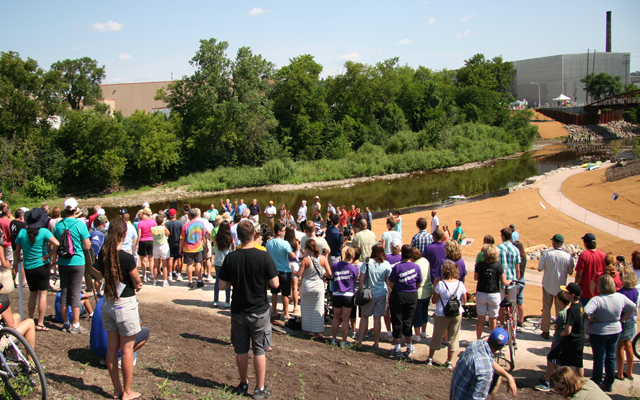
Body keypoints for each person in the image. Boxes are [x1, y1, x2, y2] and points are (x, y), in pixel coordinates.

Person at [218, 219, 279, 399]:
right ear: (255, 235)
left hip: (238, 310)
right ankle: (259, 389)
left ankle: (243, 383)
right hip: (259, 310)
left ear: (238, 236)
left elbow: (222, 285)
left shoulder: (231, 258)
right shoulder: (264, 256)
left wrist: (233, 279)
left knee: (241, 350)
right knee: (259, 350)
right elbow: (275, 283)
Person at [96, 218, 143, 400]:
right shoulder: (125, 257)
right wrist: (138, 285)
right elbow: (136, 280)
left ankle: (116, 390)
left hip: (107, 303)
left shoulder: (103, 254)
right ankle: (128, 391)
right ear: (124, 235)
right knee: (127, 350)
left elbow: (100, 273)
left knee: (111, 349)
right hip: (125, 304)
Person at [583, 274, 636, 392]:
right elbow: (632, 306)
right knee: (611, 357)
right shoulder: (619, 297)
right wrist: (623, 319)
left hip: (599, 331)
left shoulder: (597, 299)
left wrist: (590, 319)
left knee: (599, 358)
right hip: (615, 330)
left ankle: (596, 380)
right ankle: (609, 382)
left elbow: (586, 311)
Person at [12, 207, 59, 331]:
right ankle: (40, 323)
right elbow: (57, 243)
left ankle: (30, 320)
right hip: (42, 265)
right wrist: (49, 255)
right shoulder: (44, 231)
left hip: (28, 266)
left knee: (33, 294)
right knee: (43, 294)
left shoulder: (22, 232)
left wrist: (17, 261)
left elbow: (17, 252)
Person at [52, 198, 91, 333]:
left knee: (64, 292)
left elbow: (56, 243)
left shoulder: (58, 225)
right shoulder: (80, 225)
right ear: (76, 210)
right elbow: (87, 246)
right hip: (77, 261)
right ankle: (75, 324)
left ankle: (65, 323)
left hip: (62, 262)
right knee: (75, 292)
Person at [449, 328, 518, 400]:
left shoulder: (476, 344)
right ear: (502, 347)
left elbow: (490, 361)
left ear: (489, 338)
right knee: (498, 378)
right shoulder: (486, 372)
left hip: (455, 394)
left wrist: (508, 376)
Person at [426, 260, 467, 369]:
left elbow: (434, 300)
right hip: (457, 313)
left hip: (441, 313)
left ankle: (430, 358)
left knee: (437, 336)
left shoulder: (441, 284)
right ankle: (449, 361)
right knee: (454, 338)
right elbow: (464, 300)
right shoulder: (460, 284)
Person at [538, 234, 575, 339]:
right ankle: (559, 331)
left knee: (546, 309)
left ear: (554, 243)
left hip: (547, 285)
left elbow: (540, 268)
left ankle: (545, 331)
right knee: (561, 310)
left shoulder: (547, 254)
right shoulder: (568, 257)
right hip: (561, 288)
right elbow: (570, 271)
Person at [355, 243, 392, 349]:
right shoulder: (386, 265)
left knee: (364, 317)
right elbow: (388, 282)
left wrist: (361, 290)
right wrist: (389, 293)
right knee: (377, 319)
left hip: (368, 294)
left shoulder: (367, 262)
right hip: (381, 293)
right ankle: (376, 342)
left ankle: (360, 340)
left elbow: (361, 279)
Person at [388, 245, 422, 358]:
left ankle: (397, 348)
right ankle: (409, 347)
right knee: (408, 321)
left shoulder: (397, 268)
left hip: (398, 295)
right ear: (411, 255)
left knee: (397, 321)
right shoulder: (416, 267)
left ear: (402, 254)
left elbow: (391, 283)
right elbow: (419, 283)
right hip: (411, 295)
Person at [293, 239, 331, 339]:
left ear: (308, 249)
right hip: (318, 286)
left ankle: (305, 329)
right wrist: (323, 274)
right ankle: (316, 332)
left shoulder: (305, 260)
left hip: (307, 286)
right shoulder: (323, 258)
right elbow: (329, 273)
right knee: (318, 309)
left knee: (306, 309)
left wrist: (293, 271)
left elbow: (299, 274)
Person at [535, 291, 571, 391]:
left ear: (560, 301)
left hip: (558, 339)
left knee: (552, 358)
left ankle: (553, 379)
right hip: (565, 341)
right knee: (556, 359)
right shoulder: (570, 311)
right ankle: (556, 376)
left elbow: (556, 326)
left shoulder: (561, 314)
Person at [474, 244, 511, 340]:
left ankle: (478, 339)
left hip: (481, 293)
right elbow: (503, 282)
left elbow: (476, 278)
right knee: (493, 319)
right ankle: (492, 340)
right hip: (494, 294)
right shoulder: (498, 266)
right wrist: (510, 281)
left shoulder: (480, 265)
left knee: (480, 319)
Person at [266, 223, 296, 320]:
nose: (285, 232)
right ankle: (286, 313)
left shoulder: (269, 243)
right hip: (284, 271)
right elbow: (293, 255)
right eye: (284, 230)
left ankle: (274, 312)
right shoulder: (285, 243)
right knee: (285, 293)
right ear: (279, 232)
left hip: (273, 271)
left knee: (274, 293)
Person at [330, 247, 358, 348]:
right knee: (346, 320)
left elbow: (333, 277)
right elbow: (355, 280)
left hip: (336, 294)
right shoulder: (354, 268)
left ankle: (333, 339)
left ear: (345, 254)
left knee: (336, 318)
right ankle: (344, 340)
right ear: (353, 256)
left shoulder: (335, 265)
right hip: (348, 295)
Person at [615, 266, 638, 381]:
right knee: (629, 345)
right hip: (630, 319)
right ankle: (630, 371)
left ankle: (620, 372)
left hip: (622, 319)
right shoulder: (635, 290)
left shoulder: (620, 293)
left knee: (619, 347)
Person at [574, 233, 606, 306]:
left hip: (585, 292)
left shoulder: (584, 255)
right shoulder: (602, 254)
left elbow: (579, 274)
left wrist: (576, 285)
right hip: (599, 292)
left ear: (586, 243)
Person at [497, 228, 521, 325]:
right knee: (512, 304)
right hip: (512, 280)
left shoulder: (498, 248)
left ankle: (502, 324)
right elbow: (518, 268)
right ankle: (513, 324)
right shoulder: (515, 249)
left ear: (503, 236)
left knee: (501, 305)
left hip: (500, 280)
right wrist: (517, 281)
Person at [180, 208, 206, 289]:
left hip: (188, 247)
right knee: (198, 263)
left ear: (190, 215)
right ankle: (199, 280)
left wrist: (180, 248)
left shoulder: (186, 225)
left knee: (189, 264)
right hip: (198, 247)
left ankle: (190, 281)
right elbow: (204, 236)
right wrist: (206, 246)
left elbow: (182, 238)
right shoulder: (201, 223)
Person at [411, 247, 431, 343]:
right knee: (424, 312)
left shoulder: (414, 265)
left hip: (419, 293)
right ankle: (423, 331)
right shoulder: (425, 261)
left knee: (417, 314)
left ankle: (417, 335)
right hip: (428, 291)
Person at [213, 221, 235, 308]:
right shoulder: (230, 238)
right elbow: (233, 248)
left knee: (217, 281)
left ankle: (215, 300)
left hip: (218, 261)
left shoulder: (217, 237)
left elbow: (215, 246)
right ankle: (227, 301)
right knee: (228, 282)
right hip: (227, 262)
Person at [136, 207, 156, 282]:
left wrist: (137, 244)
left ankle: (144, 275)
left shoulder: (140, 222)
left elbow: (139, 235)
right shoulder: (153, 222)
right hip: (151, 240)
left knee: (143, 260)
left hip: (143, 241)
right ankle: (151, 274)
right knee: (151, 259)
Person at [284, 227, 301, 313]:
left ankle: (287, 305)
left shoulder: (284, 242)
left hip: (287, 264)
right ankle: (295, 307)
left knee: (288, 286)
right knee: (295, 287)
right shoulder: (296, 243)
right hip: (295, 264)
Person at [150, 214, 170, 287]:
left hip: (156, 246)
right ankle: (164, 281)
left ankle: (155, 280)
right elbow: (168, 233)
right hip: (163, 245)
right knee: (164, 265)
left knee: (156, 265)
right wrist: (163, 225)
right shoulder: (163, 228)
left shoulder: (152, 228)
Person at [165, 209, 184, 281]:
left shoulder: (167, 224)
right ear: (175, 214)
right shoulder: (180, 223)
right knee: (179, 259)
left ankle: (170, 274)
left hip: (170, 243)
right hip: (179, 243)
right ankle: (179, 274)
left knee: (170, 258)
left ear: (169, 215)